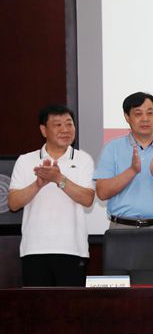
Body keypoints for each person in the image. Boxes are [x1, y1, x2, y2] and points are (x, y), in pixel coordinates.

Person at [8, 105, 95, 286]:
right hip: (34, 249)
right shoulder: (26, 160)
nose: (65, 130)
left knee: (72, 304)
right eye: (57, 125)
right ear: (43, 130)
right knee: (37, 304)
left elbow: (88, 199)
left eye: (69, 124)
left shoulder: (83, 159)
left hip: (72, 249)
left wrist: (59, 179)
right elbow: (13, 203)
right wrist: (37, 184)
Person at [94, 92, 153, 228]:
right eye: (138, 114)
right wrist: (132, 171)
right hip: (122, 227)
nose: (145, 119)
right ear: (127, 117)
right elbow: (102, 193)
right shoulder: (112, 148)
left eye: (150, 113)